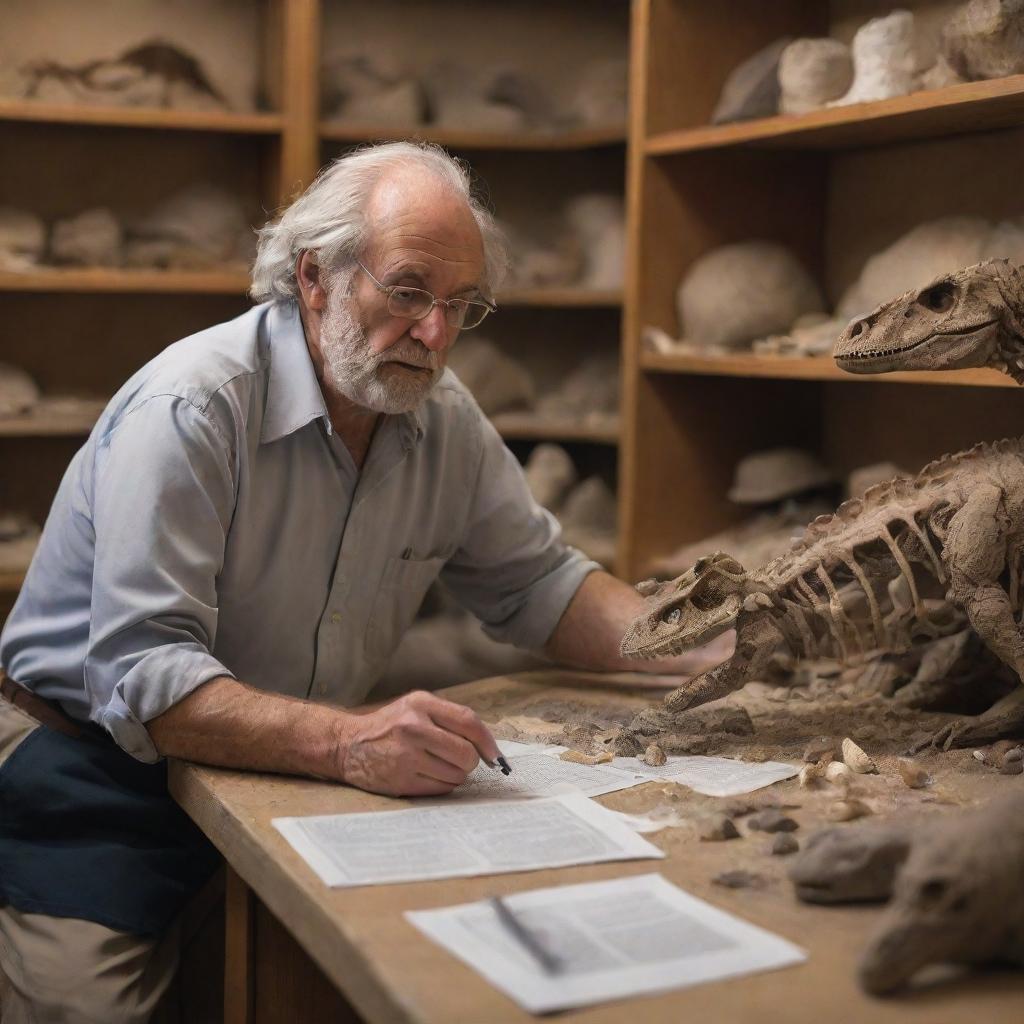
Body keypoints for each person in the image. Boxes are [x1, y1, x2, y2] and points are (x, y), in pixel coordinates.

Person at [0, 142, 730, 1022]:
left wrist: (705, 644)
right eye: (409, 290)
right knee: (92, 1013)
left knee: (393, 977)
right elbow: (144, 678)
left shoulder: (438, 413)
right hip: (91, 769)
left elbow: (540, 579)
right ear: (316, 278)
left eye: (462, 305)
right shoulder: (193, 408)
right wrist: (349, 743)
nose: (436, 335)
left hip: (278, 766)